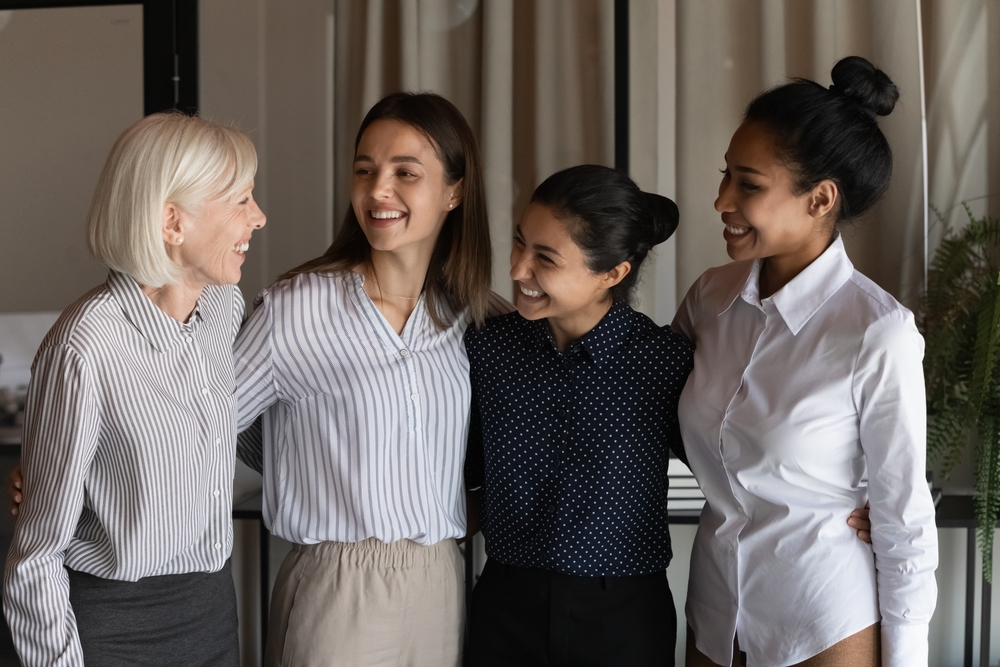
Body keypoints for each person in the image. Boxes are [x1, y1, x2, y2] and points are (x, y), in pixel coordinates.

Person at [674, 56, 938, 667]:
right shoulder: (710, 298)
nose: (720, 200)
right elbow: (637, 387)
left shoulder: (878, 332)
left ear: (820, 198)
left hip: (822, 621)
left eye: (748, 183)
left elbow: (903, 523)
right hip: (714, 616)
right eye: (725, 177)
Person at [232, 91, 503, 667]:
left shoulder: (477, 317)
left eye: (406, 172)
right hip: (336, 591)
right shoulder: (294, 310)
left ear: (455, 191)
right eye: (365, 170)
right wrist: (70, 474)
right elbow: (200, 423)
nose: (379, 190)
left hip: (442, 585)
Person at [4, 112, 266, 666]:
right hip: (115, 629)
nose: (258, 218)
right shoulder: (83, 348)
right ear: (173, 221)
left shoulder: (223, 310)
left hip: (212, 611)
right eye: (241, 200)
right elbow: (36, 555)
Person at [464, 164, 690, 666]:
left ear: (612, 274)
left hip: (623, 617)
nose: (518, 269)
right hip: (504, 607)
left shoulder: (664, 363)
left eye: (545, 258)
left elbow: (729, 468)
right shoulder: (488, 350)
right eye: (520, 243)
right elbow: (467, 473)